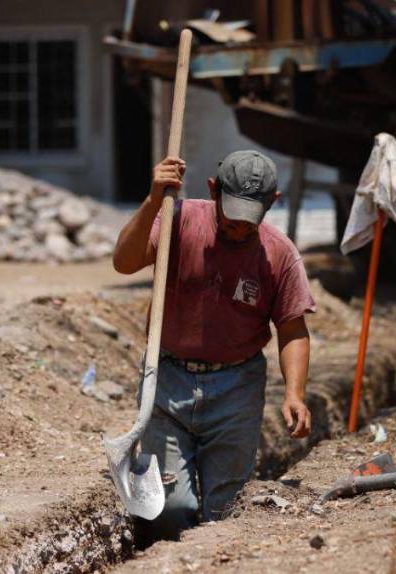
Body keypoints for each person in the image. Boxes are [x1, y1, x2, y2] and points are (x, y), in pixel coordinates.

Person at [112, 150, 316, 541]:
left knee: (226, 509)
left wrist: (295, 394)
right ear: (212, 190)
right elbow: (124, 262)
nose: (238, 228)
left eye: (248, 221)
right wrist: (155, 199)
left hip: (237, 388)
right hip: (167, 380)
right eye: (231, 216)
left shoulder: (280, 254)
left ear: (272, 203)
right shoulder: (178, 218)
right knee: (169, 510)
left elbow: (292, 330)